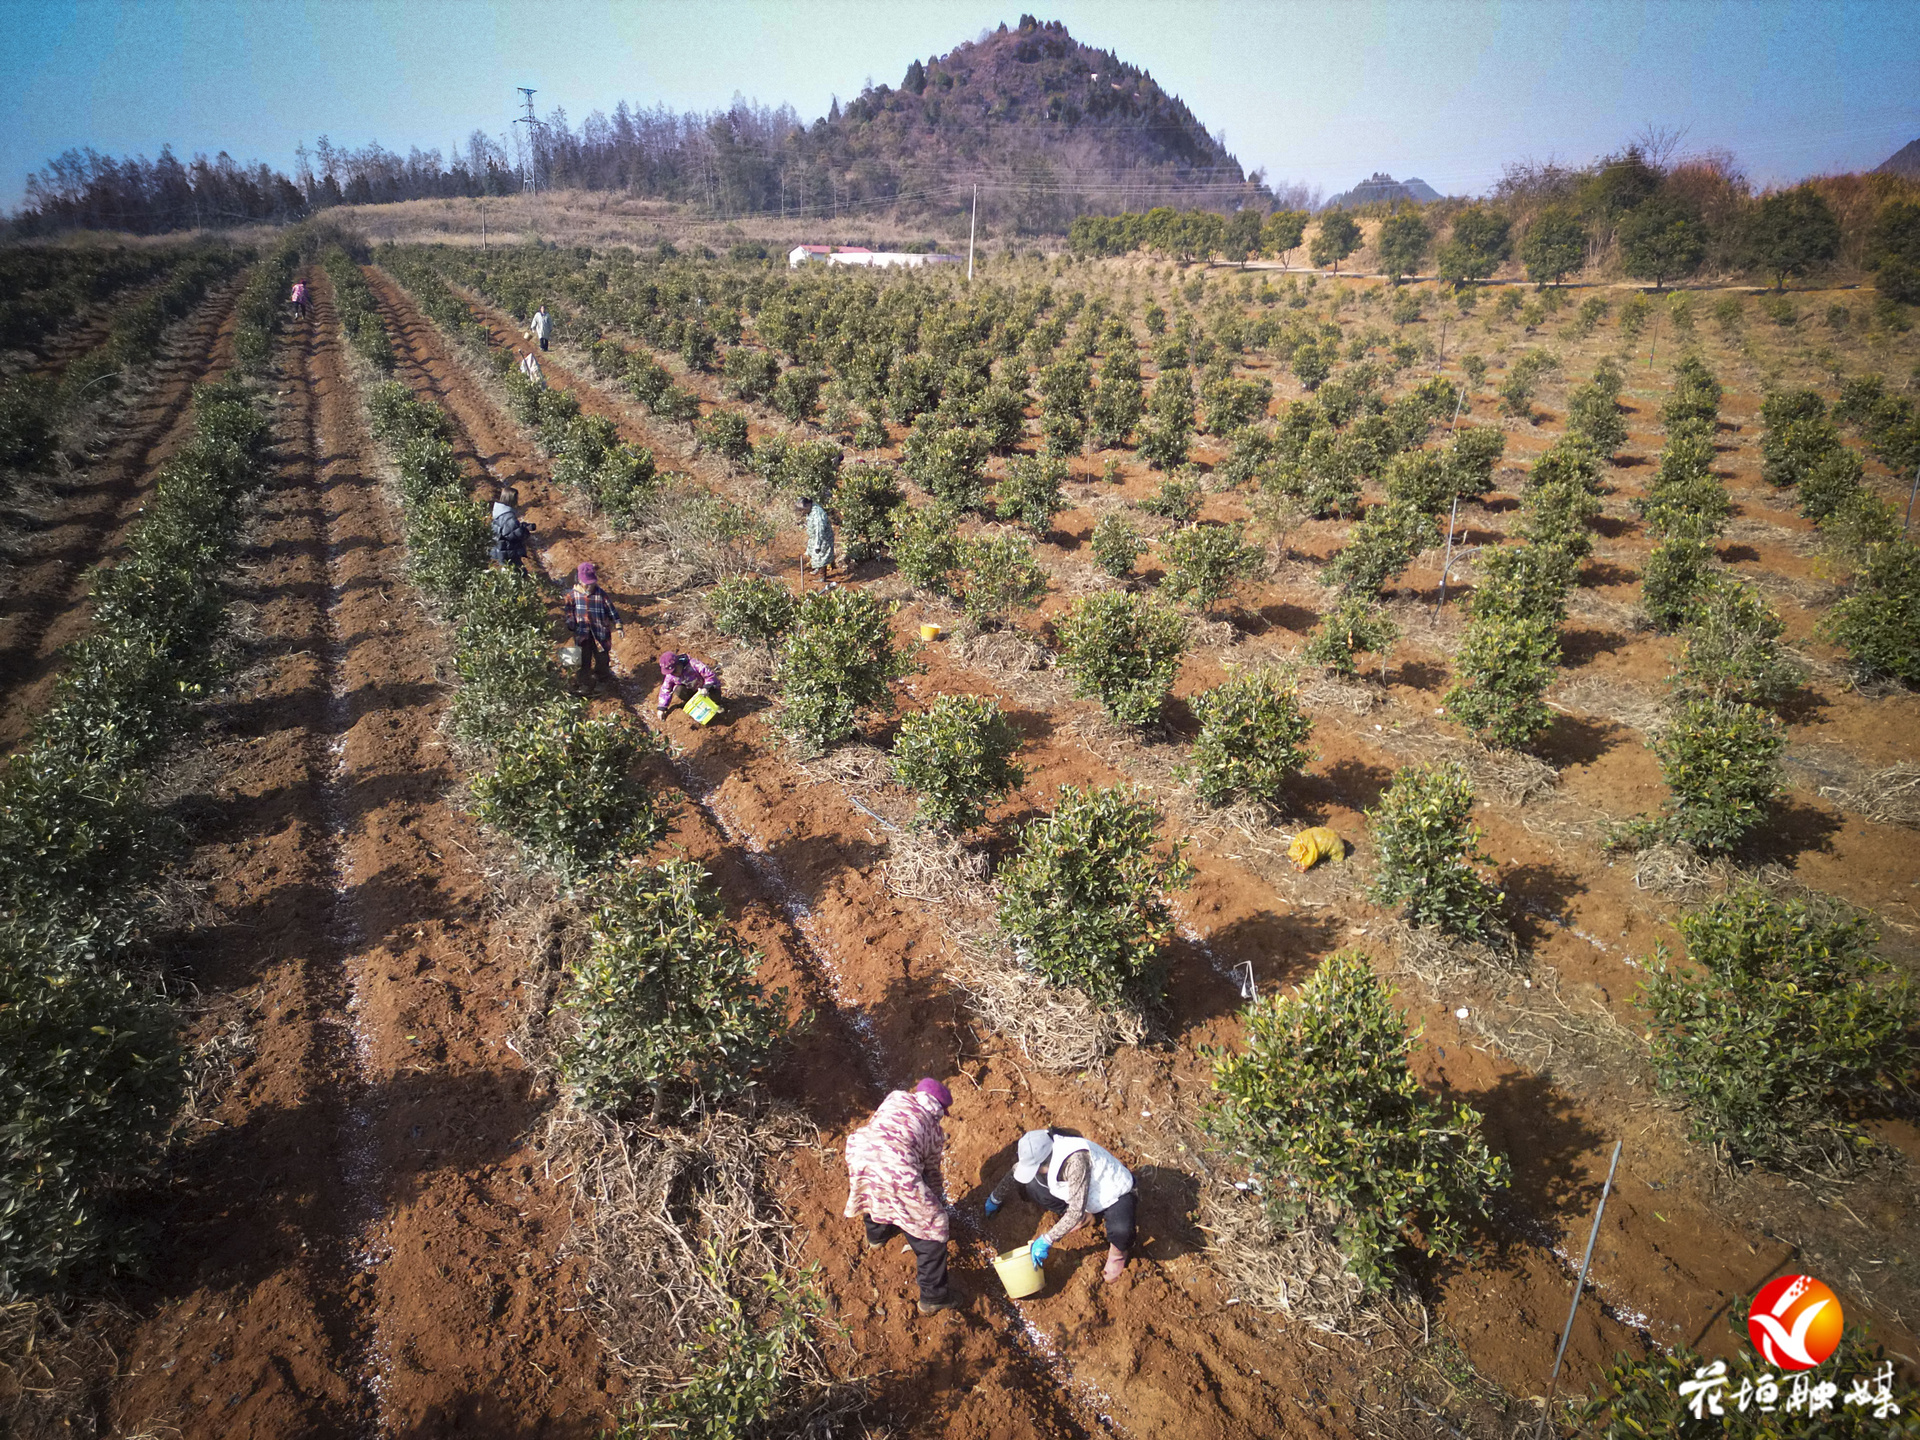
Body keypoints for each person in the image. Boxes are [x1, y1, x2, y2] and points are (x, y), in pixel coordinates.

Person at [844, 1079, 957, 1316]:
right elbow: (932, 1173)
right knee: (933, 1226)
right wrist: (935, 1204)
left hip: (860, 1151)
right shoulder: (934, 1131)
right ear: (939, 1109)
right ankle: (933, 1297)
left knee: (875, 1192)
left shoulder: (895, 1097)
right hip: (897, 1169)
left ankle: (876, 1237)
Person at [986, 1127, 1137, 1284]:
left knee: (1121, 1230)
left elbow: (1075, 1212)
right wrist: (995, 1198)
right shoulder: (1041, 1150)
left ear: (1046, 1161)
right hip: (1081, 1195)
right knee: (1034, 1185)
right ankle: (1087, 1217)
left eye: (1037, 1167)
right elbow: (1015, 1171)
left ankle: (1118, 1255)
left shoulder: (1075, 1161)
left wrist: (1047, 1239)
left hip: (1111, 1193)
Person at [562, 561, 622, 693]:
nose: (589, 586)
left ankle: (601, 679)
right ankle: (585, 683)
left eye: (591, 583)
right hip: (582, 634)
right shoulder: (572, 595)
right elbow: (568, 611)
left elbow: (611, 610)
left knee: (602, 658)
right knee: (584, 659)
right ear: (579, 580)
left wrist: (618, 624)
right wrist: (571, 621)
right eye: (586, 583)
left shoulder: (601, 594)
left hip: (600, 634)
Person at [656, 650, 721, 719]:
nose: (674, 674)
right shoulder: (671, 676)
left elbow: (710, 675)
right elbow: (665, 690)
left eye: (674, 671)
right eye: (671, 673)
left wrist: (706, 687)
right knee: (678, 689)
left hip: (707, 690)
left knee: (714, 697)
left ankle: (717, 705)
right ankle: (695, 704)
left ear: (678, 664)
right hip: (693, 693)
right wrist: (661, 708)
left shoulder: (693, 664)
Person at [488, 486, 536, 573]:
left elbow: (509, 529)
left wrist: (521, 526)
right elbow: (516, 533)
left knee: (511, 572)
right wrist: (525, 530)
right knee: (520, 574)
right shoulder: (508, 516)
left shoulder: (499, 512)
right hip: (509, 553)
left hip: (502, 551)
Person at [796, 495, 836, 586]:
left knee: (821, 556)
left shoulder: (818, 514)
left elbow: (819, 530)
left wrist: (818, 544)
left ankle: (822, 577)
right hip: (814, 537)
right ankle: (817, 568)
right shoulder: (810, 511)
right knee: (812, 553)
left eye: (803, 509)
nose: (802, 512)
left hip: (823, 538)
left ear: (808, 505)